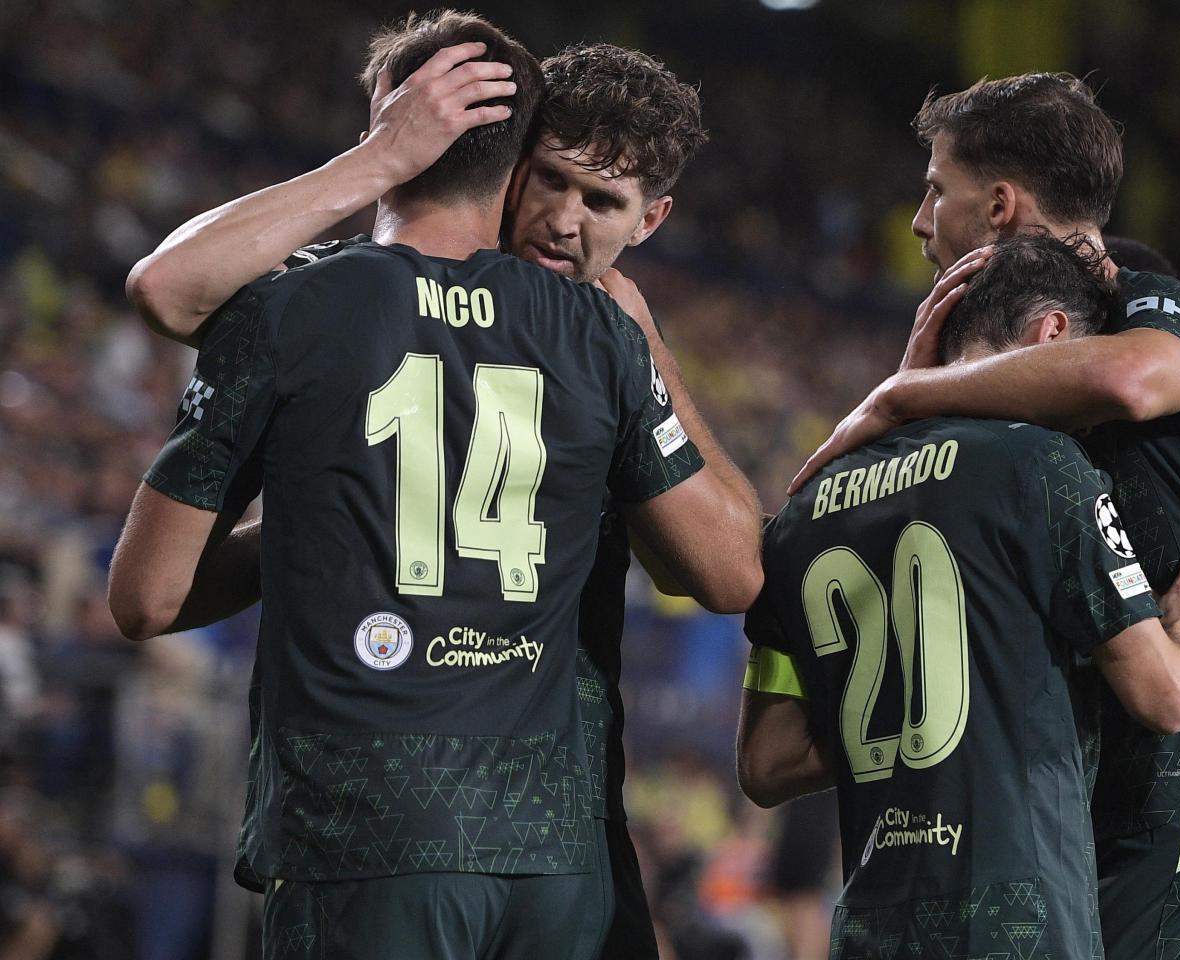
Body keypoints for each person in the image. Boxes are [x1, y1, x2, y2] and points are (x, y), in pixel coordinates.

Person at [107, 12, 761, 958]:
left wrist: (313, 522)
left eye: (602, 201)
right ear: (516, 160)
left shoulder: (295, 304)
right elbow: (734, 574)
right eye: (555, 182)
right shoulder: (599, 336)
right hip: (551, 854)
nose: (568, 220)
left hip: (367, 836)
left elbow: (144, 595)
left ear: (394, 119)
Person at [792, 73, 1180, 958]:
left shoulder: (1153, 308)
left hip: (1179, 804)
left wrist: (901, 398)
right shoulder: (976, 392)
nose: (918, 219)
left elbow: (1126, 380)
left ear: (1002, 204)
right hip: (1051, 813)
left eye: (937, 188)